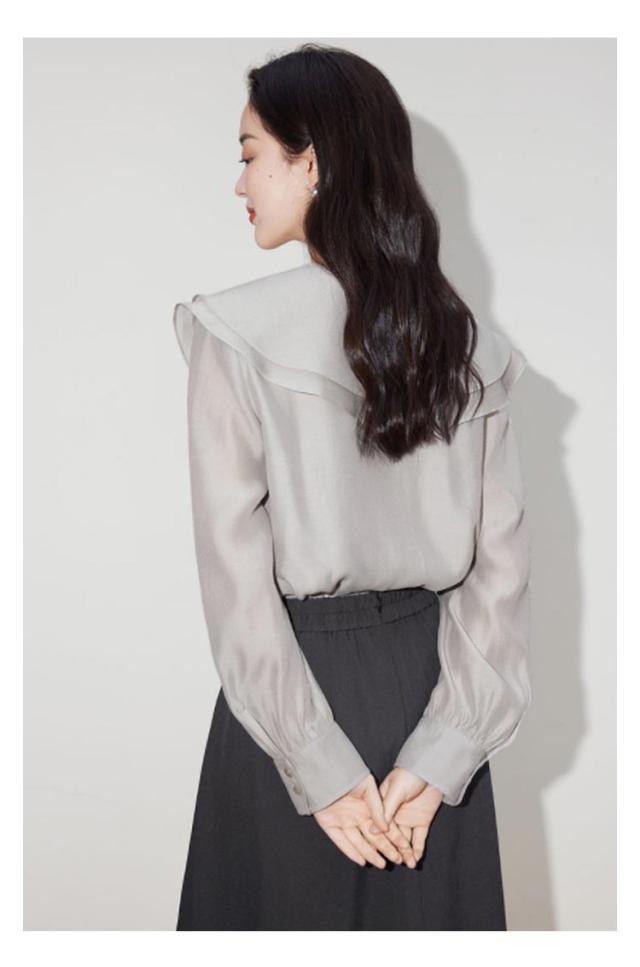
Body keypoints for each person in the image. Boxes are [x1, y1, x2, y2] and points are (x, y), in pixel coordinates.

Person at [172, 43, 532, 931]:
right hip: (433, 688)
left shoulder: (235, 333)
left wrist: (315, 761)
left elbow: (235, 581)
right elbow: (500, 576)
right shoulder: (469, 347)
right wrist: (444, 753)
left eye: (251, 152)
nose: (240, 181)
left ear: (314, 162)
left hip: (295, 687)